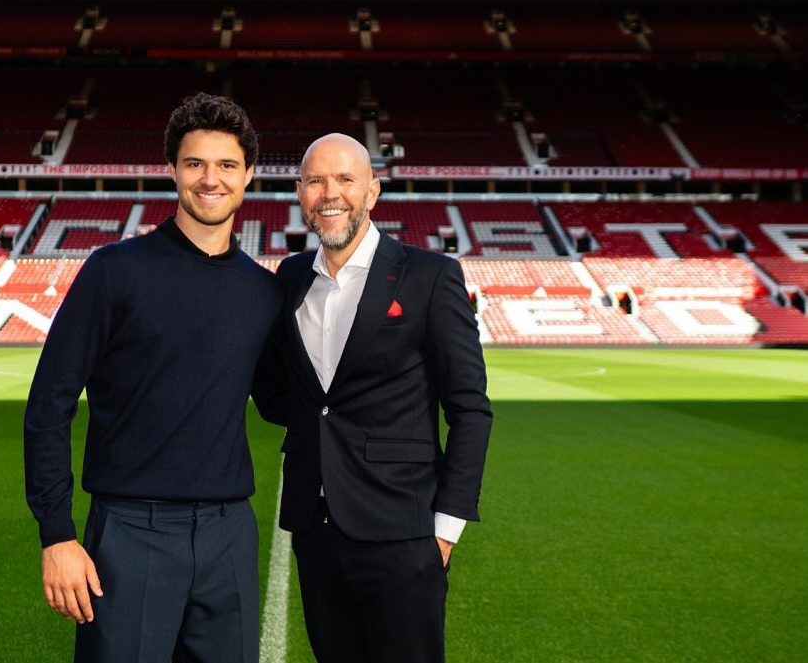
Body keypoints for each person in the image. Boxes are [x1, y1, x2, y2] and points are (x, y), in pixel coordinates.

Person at [24, 92, 283, 663]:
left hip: (229, 534)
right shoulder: (114, 272)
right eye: (195, 163)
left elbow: (281, 401)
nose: (210, 179)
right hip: (130, 531)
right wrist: (57, 533)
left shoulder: (263, 291)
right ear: (172, 170)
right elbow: (48, 405)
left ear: (248, 175)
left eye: (227, 164)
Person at [253, 132, 492, 663]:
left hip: (404, 534)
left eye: (345, 179)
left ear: (372, 191)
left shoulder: (430, 275)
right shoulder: (290, 277)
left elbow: (470, 409)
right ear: (299, 192)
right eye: (316, 181)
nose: (330, 193)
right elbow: (275, 391)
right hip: (315, 532)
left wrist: (445, 529)